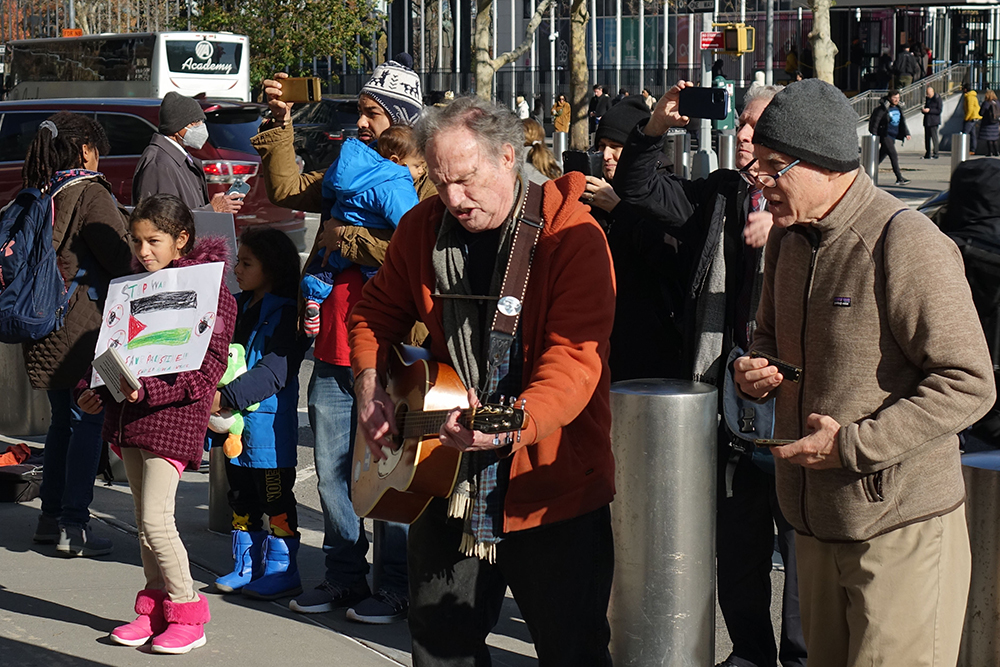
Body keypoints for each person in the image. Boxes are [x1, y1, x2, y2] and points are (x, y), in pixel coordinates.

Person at [735, 78, 995, 667]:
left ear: (826, 164)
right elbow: (770, 337)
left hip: (899, 526)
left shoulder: (905, 241)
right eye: (758, 165)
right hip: (813, 519)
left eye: (774, 166)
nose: (760, 181)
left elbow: (970, 381)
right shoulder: (788, 238)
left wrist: (853, 446)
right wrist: (759, 369)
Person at [348, 95, 617, 666]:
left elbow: (574, 361)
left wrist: (514, 425)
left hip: (552, 485)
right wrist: (371, 391)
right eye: (440, 182)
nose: (453, 199)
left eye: (466, 181)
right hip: (444, 481)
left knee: (574, 650)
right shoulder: (423, 228)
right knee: (441, 648)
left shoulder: (571, 235)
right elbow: (374, 315)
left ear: (509, 158)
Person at [614, 82, 808, 667]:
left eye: (759, 128)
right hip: (729, 405)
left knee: (798, 545)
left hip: (799, 407)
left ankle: (799, 657)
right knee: (737, 545)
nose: (744, 137)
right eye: (741, 126)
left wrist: (786, 232)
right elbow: (639, 189)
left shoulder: (817, 209)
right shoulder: (721, 196)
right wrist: (654, 130)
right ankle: (750, 651)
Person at [252, 53, 428, 624]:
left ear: (401, 119)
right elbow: (282, 187)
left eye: (373, 114)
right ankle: (345, 577)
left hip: (394, 350)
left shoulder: (421, 185)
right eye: (359, 111)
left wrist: (346, 236)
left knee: (389, 472)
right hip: (332, 351)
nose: (361, 123)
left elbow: (416, 258)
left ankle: (396, 585)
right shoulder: (348, 170)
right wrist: (279, 119)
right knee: (330, 472)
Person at [77, 193, 237, 654]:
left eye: (154, 241)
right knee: (145, 525)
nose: (143, 250)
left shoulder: (213, 293)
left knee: (156, 521)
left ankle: (188, 610)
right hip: (130, 418)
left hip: (172, 420)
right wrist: (94, 391)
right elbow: (111, 355)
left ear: (181, 239)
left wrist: (151, 392)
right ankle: (155, 609)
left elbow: (206, 371)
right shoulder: (131, 289)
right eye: (137, 240)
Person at [21, 112, 133, 556]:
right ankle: (74, 524)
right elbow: (122, 258)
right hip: (86, 328)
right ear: (86, 149)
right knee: (87, 419)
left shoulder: (41, 191)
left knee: (62, 423)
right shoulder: (88, 193)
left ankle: (51, 517)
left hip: (44, 325)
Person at [211, 227, 306, 601]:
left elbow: (275, 372)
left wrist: (225, 399)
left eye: (246, 262)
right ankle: (245, 566)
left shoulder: (288, 315)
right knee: (241, 500)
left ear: (273, 268)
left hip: (268, 433)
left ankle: (284, 569)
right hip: (235, 431)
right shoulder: (238, 306)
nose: (237, 269)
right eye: (238, 261)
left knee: (276, 500)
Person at [582, 97, 688, 384]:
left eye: (615, 148)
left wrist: (620, 210)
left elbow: (668, 256)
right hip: (600, 336)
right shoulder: (593, 193)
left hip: (649, 342)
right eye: (601, 147)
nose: (606, 156)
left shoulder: (663, 189)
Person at [300, 126, 422, 336]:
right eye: (418, 165)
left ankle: (313, 299)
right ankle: (378, 315)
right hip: (370, 238)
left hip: (339, 228)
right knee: (378, 282)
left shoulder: (350, 165)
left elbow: (328, 186)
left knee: (324, 267)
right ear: (395, 160)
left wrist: (331, 215)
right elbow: (408, 222)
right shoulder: (395, 182)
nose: (422, 171)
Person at [132, 92, 244, 214]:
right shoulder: (160, 164)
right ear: (176, 127)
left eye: (201, 121)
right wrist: (212, 210)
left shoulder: (180, 158)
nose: (201, 126)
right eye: (195, 122)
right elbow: (161, 221)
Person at [868, 89, 910, 186]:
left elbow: (902, 122)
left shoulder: (898, 108)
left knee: (878, 158)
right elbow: (875, 123)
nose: (896, 100)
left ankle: (865, 173)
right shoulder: (883, 109)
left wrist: (906, 133)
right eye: (894, 97)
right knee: (893, 155)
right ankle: (899, 178)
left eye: (898, 98)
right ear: (889, 98)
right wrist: (875, 136)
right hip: (885, 135)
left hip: (893, 136)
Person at [921, 85, 942, 159]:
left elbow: (939, 110)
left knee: (934, 138)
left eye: (929, 93)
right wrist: (923, 110)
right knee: (927, 138)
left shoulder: (937, 98)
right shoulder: (927, 99)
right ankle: (928, 153)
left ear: (933, 92)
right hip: (927, 120)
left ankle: (936, 153)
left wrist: (929, 110)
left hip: (934, 121)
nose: (928, 95)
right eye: (927, 93)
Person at [976, 89, 1000, 157]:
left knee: (988, 138)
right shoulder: (997, 102)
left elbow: (981, 113)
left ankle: (990, 152)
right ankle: (996, 152)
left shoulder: (986, 103)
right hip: (995, 122)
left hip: (987, 122)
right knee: (994, 138)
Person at [963, 81, 982, 156]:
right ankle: (972, 149)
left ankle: (965, 149)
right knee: (973, 134)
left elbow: (970, 109)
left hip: (970, 118)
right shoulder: (972, 96)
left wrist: (966, 118)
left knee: (965, 134)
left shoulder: (969, 97)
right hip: (974, 118)